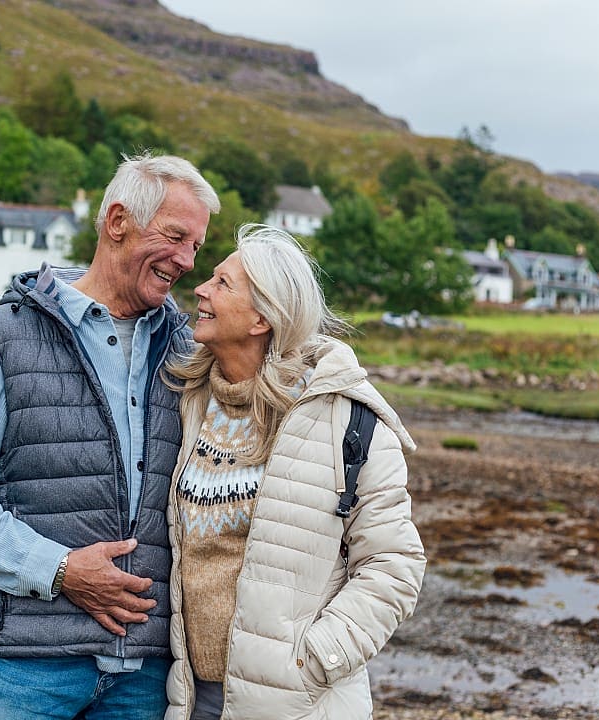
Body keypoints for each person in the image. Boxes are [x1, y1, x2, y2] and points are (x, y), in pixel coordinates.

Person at [0, 152, 221, 720]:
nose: (186, 260)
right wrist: (58, 569)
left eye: (197, 247)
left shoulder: (191, 354)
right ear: (118, 221)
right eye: (176, 237)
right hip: (22, 667)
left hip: (148, 675)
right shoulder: (2, 335)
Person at [163, 224, 426, 720]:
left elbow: (395, 565)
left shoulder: (346, 419)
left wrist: (312, 663)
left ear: (262, 317)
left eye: (222, 283)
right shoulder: (187, 402)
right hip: (192, 698)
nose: (199, 288)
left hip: (297, 702)